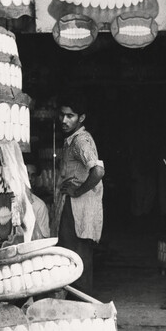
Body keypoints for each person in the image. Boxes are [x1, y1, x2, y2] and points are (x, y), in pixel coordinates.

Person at [53, 92, 104, 294]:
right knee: (72, 255)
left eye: (70, 116)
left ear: (81, 118)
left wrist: (77, 191)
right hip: (74, 207)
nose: (64, 120)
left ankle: (82, 305)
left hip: (78, 208)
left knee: (76, 256)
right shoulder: (72, 140)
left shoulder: (80, 141)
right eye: (62, 115)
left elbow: (98, 170)